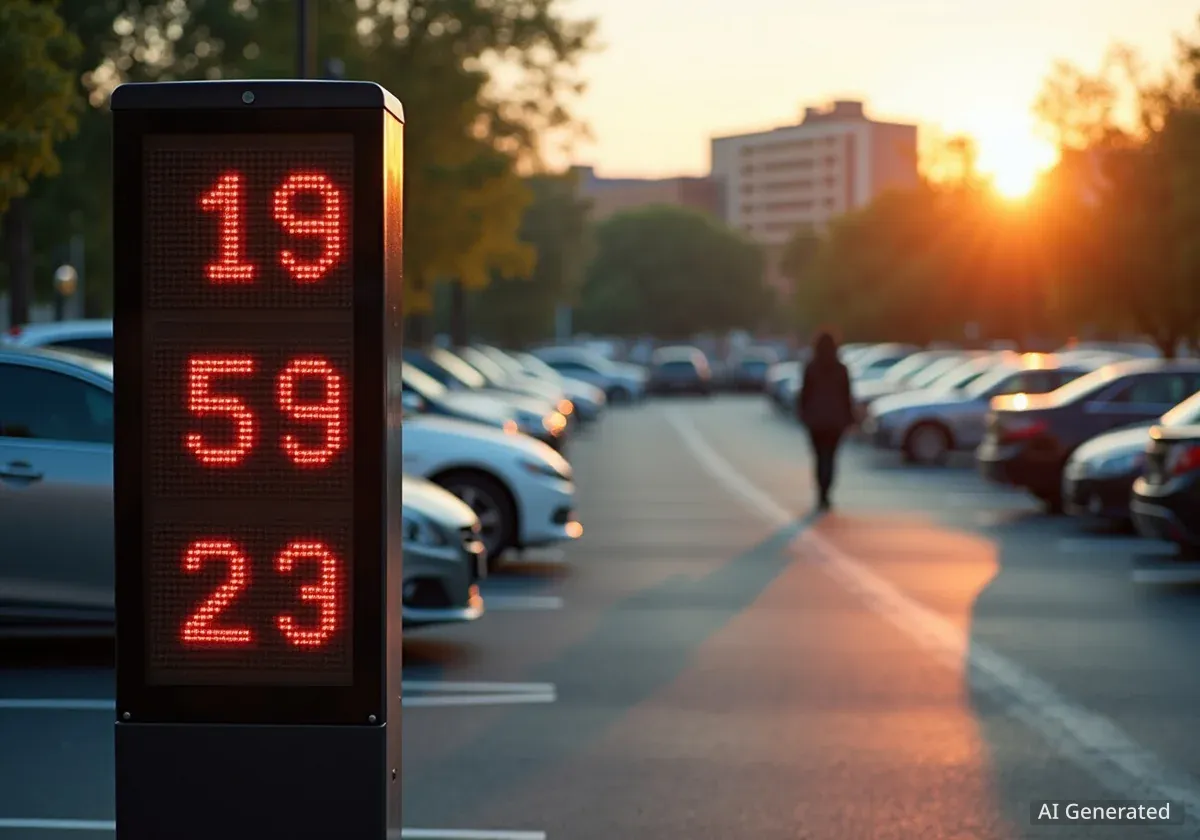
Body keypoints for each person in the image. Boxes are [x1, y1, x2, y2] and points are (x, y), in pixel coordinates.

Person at [796, 330, 855, 511]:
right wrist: (849, 418)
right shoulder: (841, 369)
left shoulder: (811, 367)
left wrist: (803, 414)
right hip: (836, 420)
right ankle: (827, 492)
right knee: (831, 457)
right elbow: (847, 396)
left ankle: (821, 493)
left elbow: (804, 394)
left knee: (819, 456)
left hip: (816, 420)